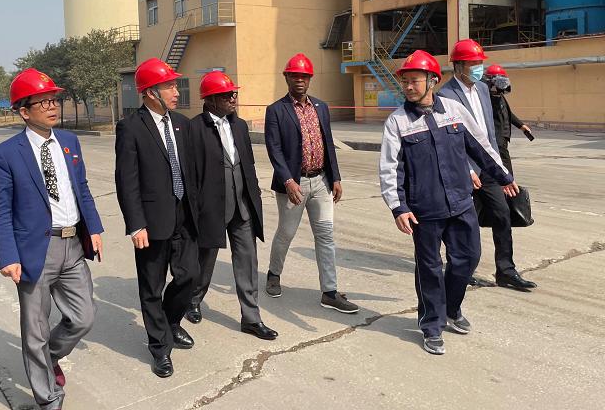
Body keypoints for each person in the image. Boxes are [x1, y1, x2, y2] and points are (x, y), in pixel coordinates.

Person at [379, 51, 517, 355]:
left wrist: (503, 176)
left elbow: (481, 146)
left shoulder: (454, 110)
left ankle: (451, 308)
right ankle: (432, 325)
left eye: (415, 80)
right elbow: (390, 168)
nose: (409, 86)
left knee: (468, 257)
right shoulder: (398, 122)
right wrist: (399, 207)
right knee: (429, 268)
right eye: (405, 81)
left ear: (432, 81)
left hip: (461, 203)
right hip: (424, 210)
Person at [0, 68, 104, 410]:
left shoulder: (69, 142)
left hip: (72, 245)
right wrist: (8, 255)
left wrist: (94, 228)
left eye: (54, 100)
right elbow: (1, 210)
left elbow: (81, 187)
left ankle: (48, 357)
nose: (53, 106)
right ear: (25, 111)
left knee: (84, 317)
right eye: (44, 102)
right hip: (33, 250)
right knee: (35, 329)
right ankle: (48, 397)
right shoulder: (7, 154)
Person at [115, 58, 199, 379]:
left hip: (183, 215)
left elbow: (189, 171)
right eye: (169, 86)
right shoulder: (131, 128)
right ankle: (159, 347)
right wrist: (136, 224)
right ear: (151, 92)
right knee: (152, 286)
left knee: (189, 275)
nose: (176, 92)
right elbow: (127, 180)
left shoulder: (182, 124)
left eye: (175, 85)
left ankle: (170, 321)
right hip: (151, 221)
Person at [437, 40, 537, 291]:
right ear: (459, 66)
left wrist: (501, 171)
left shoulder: (483, 89)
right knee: (462, 223)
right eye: (473, 63)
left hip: (488, 167)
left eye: (479, 63)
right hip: (464, 171)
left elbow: (489, 135)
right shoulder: (445, 95)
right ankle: (461, 269)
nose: (478, 68)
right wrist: (467, 169)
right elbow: (449, 140)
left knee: (502, 215)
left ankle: (506, 271)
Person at [185, 72, 277, 340]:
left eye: (233, 93)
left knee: (247, 260)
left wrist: (254, 195)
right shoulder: (194, 129)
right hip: (211, 208)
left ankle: (251, 318)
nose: (233, 98)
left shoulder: (240, 126)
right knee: (205, 259)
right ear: (211, 99)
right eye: (227, 95)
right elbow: (191, 174)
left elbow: (248, 164)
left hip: (242, 205)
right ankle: (193, 300)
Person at [264, 53, 358, 314]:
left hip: (321, 181)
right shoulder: (276, 110)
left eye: (304, 76)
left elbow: (328, 143)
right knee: (286, 232)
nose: (300, 80)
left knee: (325, 235)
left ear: (309, 79)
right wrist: (288, 180)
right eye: (295, 75)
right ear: (286, 77)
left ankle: (329, 292)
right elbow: (274, 149)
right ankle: (274, 273)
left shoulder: (321, 107)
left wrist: (335, 177)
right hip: (293, 185)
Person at [482, 64, 532, 174]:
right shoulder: (486, 98)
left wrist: (521, 125)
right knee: (504, 163)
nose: (502, 86)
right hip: (496, 137)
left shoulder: (499, 95)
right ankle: (509, 182)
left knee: (502, 162)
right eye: (499, 82)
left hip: (503, 137)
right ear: (491, 82)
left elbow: (507, 112)